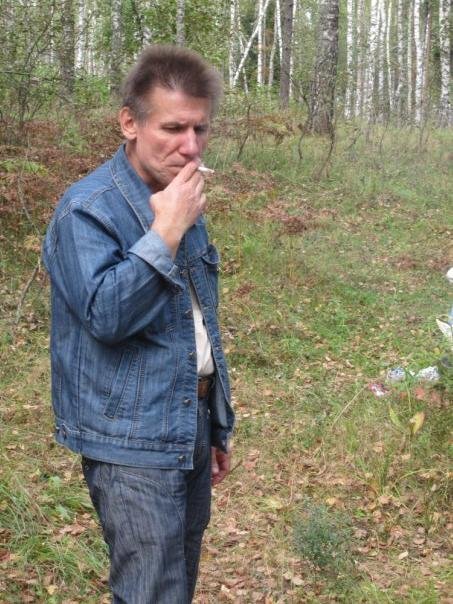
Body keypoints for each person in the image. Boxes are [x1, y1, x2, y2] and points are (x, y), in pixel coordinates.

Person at [42, 45, 234, 603]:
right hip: (129, 438)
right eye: (173, 128)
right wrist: (165, 231)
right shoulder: (88, 209)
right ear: (129, 123)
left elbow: (195, 321)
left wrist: (214, 424)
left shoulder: (178, 196)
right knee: (150, 591)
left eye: (200, 129)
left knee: (176, 582)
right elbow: (106, 316)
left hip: (187, 421)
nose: (190, 146)